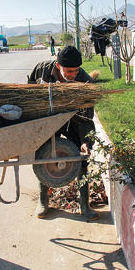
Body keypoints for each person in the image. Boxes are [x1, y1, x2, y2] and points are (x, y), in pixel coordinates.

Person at [27, 46, 99, 221]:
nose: (73, 74)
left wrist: (85, 142)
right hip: (48, 119)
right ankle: (43, 202)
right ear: (58, 66)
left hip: (75, 121)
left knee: (82, 158)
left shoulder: (85, 82)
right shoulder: (42, 70)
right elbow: (27, 91)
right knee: (43, 157)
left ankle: (84, 204)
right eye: (69, 70)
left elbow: (87, 118)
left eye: (76, 70)